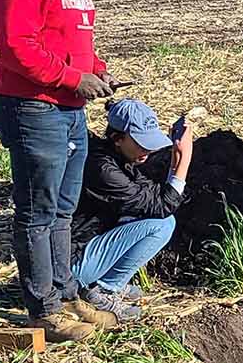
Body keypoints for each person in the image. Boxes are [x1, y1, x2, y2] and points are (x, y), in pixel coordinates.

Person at [0, 0, 123, 342]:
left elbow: (71, 42)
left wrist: (96, 70)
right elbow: (18, 46)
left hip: (67, 107)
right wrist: (71, 78)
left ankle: (66, 293)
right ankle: (43, 307)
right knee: (37, 210)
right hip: (34, 108)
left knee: (64, 209)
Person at [73, 100, 193, 322]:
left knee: (161, 220)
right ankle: (102, 289)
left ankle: (107, 282)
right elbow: (161, 207)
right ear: (118, 138)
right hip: (74, 263)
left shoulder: (117, 159)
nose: (148, 150)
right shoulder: (103, 170)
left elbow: (157, 200)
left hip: (88, 247)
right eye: (141, 143)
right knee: (163, 225)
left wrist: (175, 160)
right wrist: (185, 159)